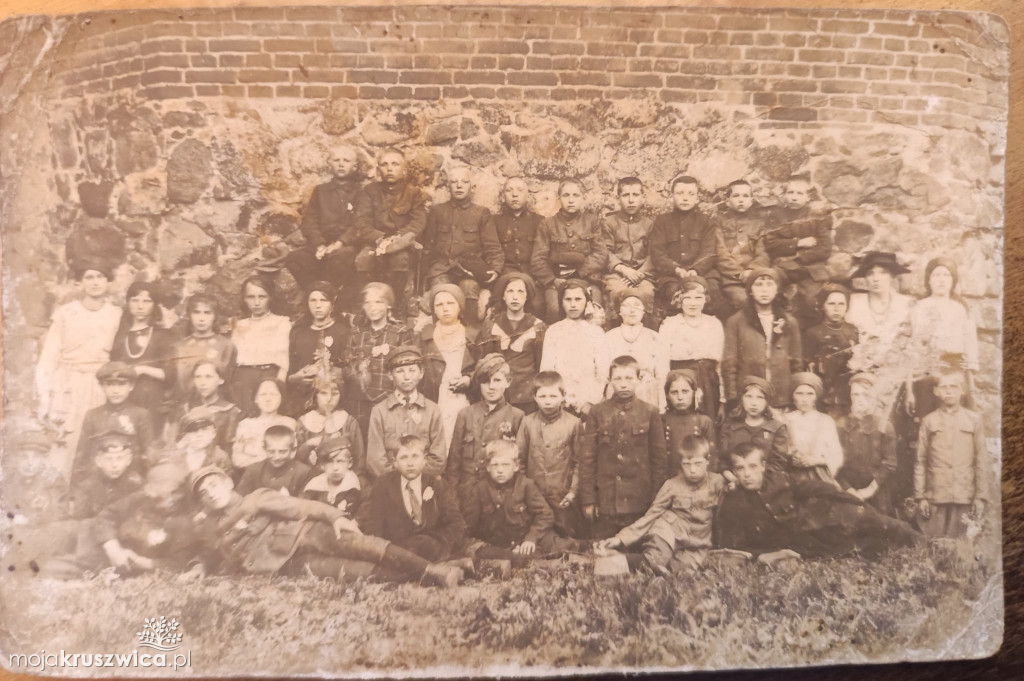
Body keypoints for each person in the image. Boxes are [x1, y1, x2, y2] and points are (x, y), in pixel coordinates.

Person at [189, 464, 463, 586]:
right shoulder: (212, 527)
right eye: (204, 492)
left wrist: (335, 517)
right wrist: (198, 567)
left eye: (214, 484)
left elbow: (302, 507)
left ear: (227, 482)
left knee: (367, 547)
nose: (211, 493)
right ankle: (445, 570)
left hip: (308, 535)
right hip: (288, 564)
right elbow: (209, 552)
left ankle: (435, 571)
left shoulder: (255, 499)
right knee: (358, 573)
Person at [716, 442, 922, 560]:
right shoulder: (734, 503)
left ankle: (922, 541)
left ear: (763, 466)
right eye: (740, 468)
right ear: (734, 471)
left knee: (868, 518)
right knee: (867, 548)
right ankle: (901, 546)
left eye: (752, 466)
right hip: (799, 549)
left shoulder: (778, 479)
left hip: (815, 528)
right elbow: (734, 548)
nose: (747, 474)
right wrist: (765, 555)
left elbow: (815, 487)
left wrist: (851, 499)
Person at [595, 435, 725, 575]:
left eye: (698, 463)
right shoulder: (672, 485)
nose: (692, 470)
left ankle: (617, 556)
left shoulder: (717, 483)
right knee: (655, 559)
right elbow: (651, 515)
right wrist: (621, 538)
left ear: (708, 460)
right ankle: (613, 564)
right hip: (668, 532)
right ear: (681, 463)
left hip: (696, 543)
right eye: (687, 464)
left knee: (678, 571)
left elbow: (722, 516)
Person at [35, 262, 121, 464]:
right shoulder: (66, 313)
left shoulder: (116, 314)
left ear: (108, 281)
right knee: (65, 441)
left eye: (100, 277)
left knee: (99, 442)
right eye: (89, 277)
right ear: (80, 282)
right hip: (67, 383)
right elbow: (48, 356)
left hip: (100, 385)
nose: (95, 282)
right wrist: (44, 395)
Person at [580, 355, 668, 539]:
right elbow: (588, 459)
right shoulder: (597, 412)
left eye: (629, 378)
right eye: (618, 379)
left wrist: (654, 502)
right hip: (606, 504)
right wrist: (589, 499)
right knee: (601, 550)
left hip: (640, 505)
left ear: (639, 379)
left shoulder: (650, 412)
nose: (624, 384)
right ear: (609, 381)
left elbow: (659, 461)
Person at [462, 440, 580, 568]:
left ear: (516, 466)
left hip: (527, 539)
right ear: (488, 467)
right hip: (500, 545)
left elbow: (545, 514)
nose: (500, 470)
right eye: (495, 465)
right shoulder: (480, 490)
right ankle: (531, 561)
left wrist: (531, 538)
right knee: (490, 554)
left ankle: (583, 547)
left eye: (505, 464)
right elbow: (469, 526)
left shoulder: (526, 485)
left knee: (558, 546)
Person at [357, 435, 467, 564]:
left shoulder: (437, 484)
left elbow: (457, 524)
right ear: (395, 462)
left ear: (424, 459)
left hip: (432, 548)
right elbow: (374, 525)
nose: (410, 463)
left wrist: (441, 544)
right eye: (404, 457)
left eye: (415, 456)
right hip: (399, 551)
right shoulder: (383, 485)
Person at [422, 165, 504, 326]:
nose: (459, 186)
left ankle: (470, 333)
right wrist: (427, 274)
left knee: (469, 287)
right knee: (441, 289)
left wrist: (495, 268)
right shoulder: (437, 212)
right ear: (448, 187)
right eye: (454, 182)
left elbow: (493, 247)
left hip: (468, 271)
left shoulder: (481, 213)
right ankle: (439, 334)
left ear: (472, 187)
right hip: (442, 268)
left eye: (464, 182)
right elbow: (428, 247)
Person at [914, 370, 988, 538]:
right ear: (936, 391)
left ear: (962, 390)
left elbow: (982, 460)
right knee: (933, 546)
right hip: (935, 497)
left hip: (964, 496)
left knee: (962, 547)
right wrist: (920, 497)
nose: (949, 391)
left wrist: (981, 497)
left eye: (953, 387)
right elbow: (920, 461)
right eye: (944, 387)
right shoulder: (928, 421)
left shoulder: (974, 420)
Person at [445, 353, 525, 507]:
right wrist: (452, 497)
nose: (491, 387)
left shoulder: (517, 416)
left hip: (501, 496)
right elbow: (454, 462)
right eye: (485, 382)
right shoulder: (465, 415)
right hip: (468, 494)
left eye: (497, 380)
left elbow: (520, 463)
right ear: (478, 384)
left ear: (508, 382)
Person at [354, 148, 428, 312]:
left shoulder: (413, 193)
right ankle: (367, 307)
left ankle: (395, 308)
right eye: (384, 164)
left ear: (404, 170)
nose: (389, 168)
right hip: (375, 243)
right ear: (378, 169)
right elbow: (362, 222)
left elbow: (418, 222)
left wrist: (397, 238)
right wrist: (380, 239)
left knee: (400, 259)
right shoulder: (369, 191)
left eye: (395, 164)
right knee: (363, 259)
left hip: (401, 245)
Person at [906, 256, 980, 418]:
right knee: (927, 421)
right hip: (926, 376)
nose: (941, 280)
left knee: (953, 421)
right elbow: (912, 350)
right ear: (929, 280)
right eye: (936, 275)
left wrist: (971, 389)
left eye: (946, 275)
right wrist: (909, 391)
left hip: (954, 376)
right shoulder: (919, 308)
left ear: (953, 280)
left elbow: (970, 348)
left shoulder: (961, 309)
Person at [284, 144, 364, 292]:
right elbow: (310, 221)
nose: (341, 164)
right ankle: (315, 294)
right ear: (330, 164)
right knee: (295, 258)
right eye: (336, 160)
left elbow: (359, 224)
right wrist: (319, 245)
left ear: (354, 166)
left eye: (346, 161)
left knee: (341, 258)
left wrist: (340, 243)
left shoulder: (360, 193)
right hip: (322, 243)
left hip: (346, 245)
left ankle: (330, 297)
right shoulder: (320, 191)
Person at [516, 371, 584, 538]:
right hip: (535, 494)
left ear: (563, 396)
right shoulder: (527, 422)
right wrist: (524, 490)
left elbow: (580, 462)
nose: (548, 401)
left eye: (553, 396)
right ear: (534, 397)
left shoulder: (573, 423)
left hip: (562, 494)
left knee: (565, 537)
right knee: (538, 536)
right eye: (542, 396)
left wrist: (573, 492)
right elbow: (519, 460)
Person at [722, 267, 801, 410]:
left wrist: (794, 398)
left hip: (781, 399)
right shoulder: (736, 322)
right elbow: (729, 364)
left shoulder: (789, 322)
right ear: (750, 290)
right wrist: (733, 399)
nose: (764, 290)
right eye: (758, 284)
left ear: (777, 289)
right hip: (750, 400)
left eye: (769, 284)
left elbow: (796, 364)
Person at [531, 180, 609, 322]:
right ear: (559, 198)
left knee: (594, 310)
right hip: (557, 281)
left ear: (583, 198)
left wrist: (579, 272)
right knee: (554, 309)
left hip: (586, 278)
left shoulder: (592, 221)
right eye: (566, 195)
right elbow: (538, 259)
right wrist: (553, 280)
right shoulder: (547, 224)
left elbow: (601, 254)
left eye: (576, 195)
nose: (571, 200)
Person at [763, 176, 834, 329]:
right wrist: (798, 243)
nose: (794, 197)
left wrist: (800, 257)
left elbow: (825, 248)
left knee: (811, 301)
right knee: (770, 290)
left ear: (808, 197)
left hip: (810, 268)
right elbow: (770, 243)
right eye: (791, 192)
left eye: (799, 193)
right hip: (784, 267)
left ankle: (808, 334)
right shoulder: (775, 216)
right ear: (784, 195)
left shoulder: (818, 217)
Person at [647, 176, 724, 317]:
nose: (685, 198)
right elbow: (658, 254)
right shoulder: (662, 221)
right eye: (680, 193)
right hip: (672, 276)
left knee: (712, 291)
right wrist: (676, 269)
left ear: (697, 198)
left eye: (691, 194)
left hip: (703, 274)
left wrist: (695, 270)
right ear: (672, 196)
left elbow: (709, 252)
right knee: (674, 293)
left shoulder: (706, 222)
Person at [345, 282, 415, 436]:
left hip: (390, 401)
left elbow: (407, 370)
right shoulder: (357, 334)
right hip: (361, 403)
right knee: (361, 441)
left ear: (388, 305)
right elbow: (349, 368)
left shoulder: (401, 332)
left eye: (378, 302)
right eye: (367, 303)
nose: (372, 307)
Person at [366, 346, 446, 479]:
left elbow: (438, 459)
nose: (407, 377)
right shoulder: (379, 411)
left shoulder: (433, 410)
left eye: (412, 370)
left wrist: (418, 480)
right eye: (400, 371)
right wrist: (398, 481)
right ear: (390, 375)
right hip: (389, 484)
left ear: (421, 373)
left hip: (424, 483)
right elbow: (375, 460)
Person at [418, 284, 480, 451]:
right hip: (433, 397)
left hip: (463, 397)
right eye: (439, 304)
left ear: (460, 306)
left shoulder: (472, 335)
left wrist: (469, 379)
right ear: (433, 309)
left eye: (450, 303)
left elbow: (482, 368)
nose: (445, 308)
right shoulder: (425, 335)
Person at [110, 281, 176, 432]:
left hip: (150, 398)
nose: (140, 306)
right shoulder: (121, 334)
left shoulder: (162, 335)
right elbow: (113, 366)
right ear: (128, 303)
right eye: (135, 300)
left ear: (154, 305)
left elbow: (170, 374)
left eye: (146, 301)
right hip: (123, 396)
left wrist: (142, 369)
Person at [72, 361, 154, 482]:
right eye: (110, 384)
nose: (116, 391)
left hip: (131, 483)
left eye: (121, 384)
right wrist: (77, 490)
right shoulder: (92, 416)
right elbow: (81, 458)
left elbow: (148, 456)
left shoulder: (140, 415)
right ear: (102, 387)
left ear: (131, 386)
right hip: (98, 484)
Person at [477, 272, 546, 414]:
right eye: (510, 291)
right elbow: (482, 361)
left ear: (527, 296)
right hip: (497, 394)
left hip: (527, 397)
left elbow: (541, 365)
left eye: (520, 292)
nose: (515, 297)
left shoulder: (538, 327)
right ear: (503, 296)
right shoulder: (492, 325)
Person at [539, 280, 610, 416]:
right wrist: (559, 399)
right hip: (560, 401)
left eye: (578, 299)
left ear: (587, 302)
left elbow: (603, 372)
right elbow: (547, 371)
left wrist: (591, 401)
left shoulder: (596, 332)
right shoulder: (553, 331)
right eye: (568, 299)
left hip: (590, 399)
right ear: (561, 302)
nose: (573, 304)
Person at [657, 276, 723, 419]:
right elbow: (662, 365)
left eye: (698, 298)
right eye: (687, 298)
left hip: (709, 383)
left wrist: (723, 400)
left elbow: (721, 364)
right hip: (680, 383)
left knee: (707, 424)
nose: (693, 303)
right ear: (679, 299)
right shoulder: (669, 324)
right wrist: (663, 401)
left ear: (706, 299)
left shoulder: (714, 324)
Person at [835, 373, 898, 516]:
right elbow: (834, 462)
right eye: (855, 395)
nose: (860, 399)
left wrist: (869, 490)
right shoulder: (841, 425)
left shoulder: (884, 426)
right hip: (847, 491)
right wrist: (848, 489)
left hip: (876, 492)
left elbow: (890, 463)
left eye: (866, 395)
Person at [287, 282, 352, 416]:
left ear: (333, 302)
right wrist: (296, 378)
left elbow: (350, 371)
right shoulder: (298, 332)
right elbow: (290, 370)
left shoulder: (343, 332)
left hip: (334, 400)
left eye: (323, 300)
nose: (317, 305)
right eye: (313, 300)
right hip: (302, 400)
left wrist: (330, 371)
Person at [230, 275, 291, 414]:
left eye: (262, 297)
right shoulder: (239, 325)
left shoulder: (281, 322)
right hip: (243, 380)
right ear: (244, 298)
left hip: (268, 377)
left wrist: (278, 386)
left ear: (270, 297)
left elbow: (284, 361)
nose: (256, 303)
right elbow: (233, 360)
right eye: (251, 297)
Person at [845, 251, 914, 369]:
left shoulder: (906, 304)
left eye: (883, 273)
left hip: (897, 366)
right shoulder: (853, 303)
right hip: (861, 366)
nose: (876, 279)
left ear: (892, 277)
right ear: (865, 278)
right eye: (870, 274)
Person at [295, 369, 365, 480]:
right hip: (309, 480)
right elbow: (295, 460)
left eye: (335, 394)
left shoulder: (349, 422)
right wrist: (308, 445)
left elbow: (359, 460)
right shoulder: (303, 422)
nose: (329, 399)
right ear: (315, 395)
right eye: (323, 393)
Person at [802, 283, 859, 416]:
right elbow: (807, 366)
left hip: (847, 390)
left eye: (841, 304)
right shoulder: (812, 333)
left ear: (847, 306)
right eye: (831, 304)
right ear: (823, 306)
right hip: (823, 390)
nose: (836, 308)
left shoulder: (853, 331)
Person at [602, 177, 656, 318]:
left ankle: (646, 328)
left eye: (635, 195)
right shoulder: (609, 223)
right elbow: (605, 251)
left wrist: (640, 274)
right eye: (626, 195)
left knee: (646, 292)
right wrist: (623, 269)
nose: (631, 200)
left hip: (642, 275)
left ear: (643, 197)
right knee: (616, 291)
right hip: (617, 274)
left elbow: (654, 253)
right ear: (618, 198)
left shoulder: (649, 224)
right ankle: (614, 327)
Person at [604, 293, 668, 410]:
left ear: (643, 312)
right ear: (619, 311)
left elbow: (662, 375)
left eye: (637, 306)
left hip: (646, 390)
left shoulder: (655, 337)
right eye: (626, 306)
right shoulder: (608, 337)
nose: (632, 310)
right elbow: (603, 373)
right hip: (616, 389)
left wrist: (663, 405)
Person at [714, 179, 770, 311]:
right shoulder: (718, 221)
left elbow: (763, 252)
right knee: (743, 300)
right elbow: (719, 252)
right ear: (727, 201)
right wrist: (739, 274)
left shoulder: (759, 224)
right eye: (736, 196)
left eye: (745, 196)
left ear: (751, 200)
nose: (741, 200)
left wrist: (752, 270)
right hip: (730, 278)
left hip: (755, 276)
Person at [719, 376, 791, 475]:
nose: (754, 403)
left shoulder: (777, 428)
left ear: (767, 402)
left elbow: (778, 463)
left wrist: (757, 479)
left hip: (767, 479)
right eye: (749, 397)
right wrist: (732, 478)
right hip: (734, 479)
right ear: (741, 399)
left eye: (760, 398)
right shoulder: (729, 426)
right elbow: (723, 461)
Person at [68, 429, 145, 521]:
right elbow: (79, 521)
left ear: (128, 460)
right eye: (109, 459)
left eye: (119, 458)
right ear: (99, 461)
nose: (114, 465)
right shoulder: (87, 488)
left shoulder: (135, 486)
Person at [170, 293, 236, 400]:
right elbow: (176, 383)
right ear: (189, 315)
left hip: (215, 405)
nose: (201, 318)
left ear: (215, 316)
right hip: (184, 404)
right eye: (196, 312)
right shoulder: (179, 347)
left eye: (207, 313)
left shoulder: (225, 345)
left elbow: (228, 383)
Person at [167, 360, 240, 454]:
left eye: (208, 377)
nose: (202, 383)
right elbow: (174, 443)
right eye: (198, 377)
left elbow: (228, 450)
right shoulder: (185, 409)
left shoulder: (229, 411)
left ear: (221, 380)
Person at [782, 372, 843, 484]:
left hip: (818, 476)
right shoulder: (784, 420)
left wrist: (815, 460)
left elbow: (837, 455)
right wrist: (790, 459)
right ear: (793, 396)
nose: (804, 399)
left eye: (810, 394)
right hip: (791, 476)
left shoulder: (825, 421)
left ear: (816, 397)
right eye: (799, 393)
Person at [231, 379, 296, 471]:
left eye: (273, 394)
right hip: (251, 474)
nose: (268, 399)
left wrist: (254, 460)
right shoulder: (245, 425)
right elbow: (237, 459)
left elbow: (291, 456)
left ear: (281, 398)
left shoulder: (289, 423)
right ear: (255, 399)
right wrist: (263, 462)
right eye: (263, 394)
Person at [662, 370, 717, 475]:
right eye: (674, 392)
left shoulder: (704, 421)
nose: (680, 397)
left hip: (698, 476)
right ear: (667, 395)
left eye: (685, 391)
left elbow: (712, 459)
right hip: (669, 477)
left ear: (694, 393)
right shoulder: (662, 421)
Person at [236, 425, 314, 497]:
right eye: (271, 452)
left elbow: (306, 503)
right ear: (264, 449)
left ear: (293, 450)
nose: (277, 457)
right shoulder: (253, 470)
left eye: (283, 452)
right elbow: (240, 499)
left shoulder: (303, 472)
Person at [301, 433, 362, 517]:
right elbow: (303, 508)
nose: (335, 468)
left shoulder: (356, 485)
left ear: (350, 463)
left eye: (340, 461)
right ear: (322, 465)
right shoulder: (314, 486)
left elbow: (365, 508)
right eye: (329, 462)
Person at [492, 176, 542, 275]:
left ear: (528, 196)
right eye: (509, 190)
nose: (514, 194)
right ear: (502, 197)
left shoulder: (539, 221)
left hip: (532, 275)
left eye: (520, 190)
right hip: (505, 275)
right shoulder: (494, 221)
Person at [169, 406, 234, 474]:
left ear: (213, 433)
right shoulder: (176, 457)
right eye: (194, 430)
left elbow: (225, 479)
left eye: (204, 429)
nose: (199, 435)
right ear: (186, 435)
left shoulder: (220, 457)